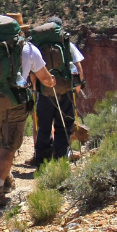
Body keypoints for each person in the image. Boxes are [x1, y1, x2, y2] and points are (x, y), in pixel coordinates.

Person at [0, 35, 57, 203]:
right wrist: (52, 81)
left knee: (2, 140)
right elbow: (45, 78)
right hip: (15, 102)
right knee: (10, 146)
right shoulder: (28, 49)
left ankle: (6, 179)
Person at [31, 17, 84, 167]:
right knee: (64, 125)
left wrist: (35, 89)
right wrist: (77, 88)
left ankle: (42, 161)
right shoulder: (68, 45)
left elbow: (34, 72)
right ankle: (60, 159)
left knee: (44, 126)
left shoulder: (38, 47)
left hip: (45, 92)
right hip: (65, 90)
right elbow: (78, 68)